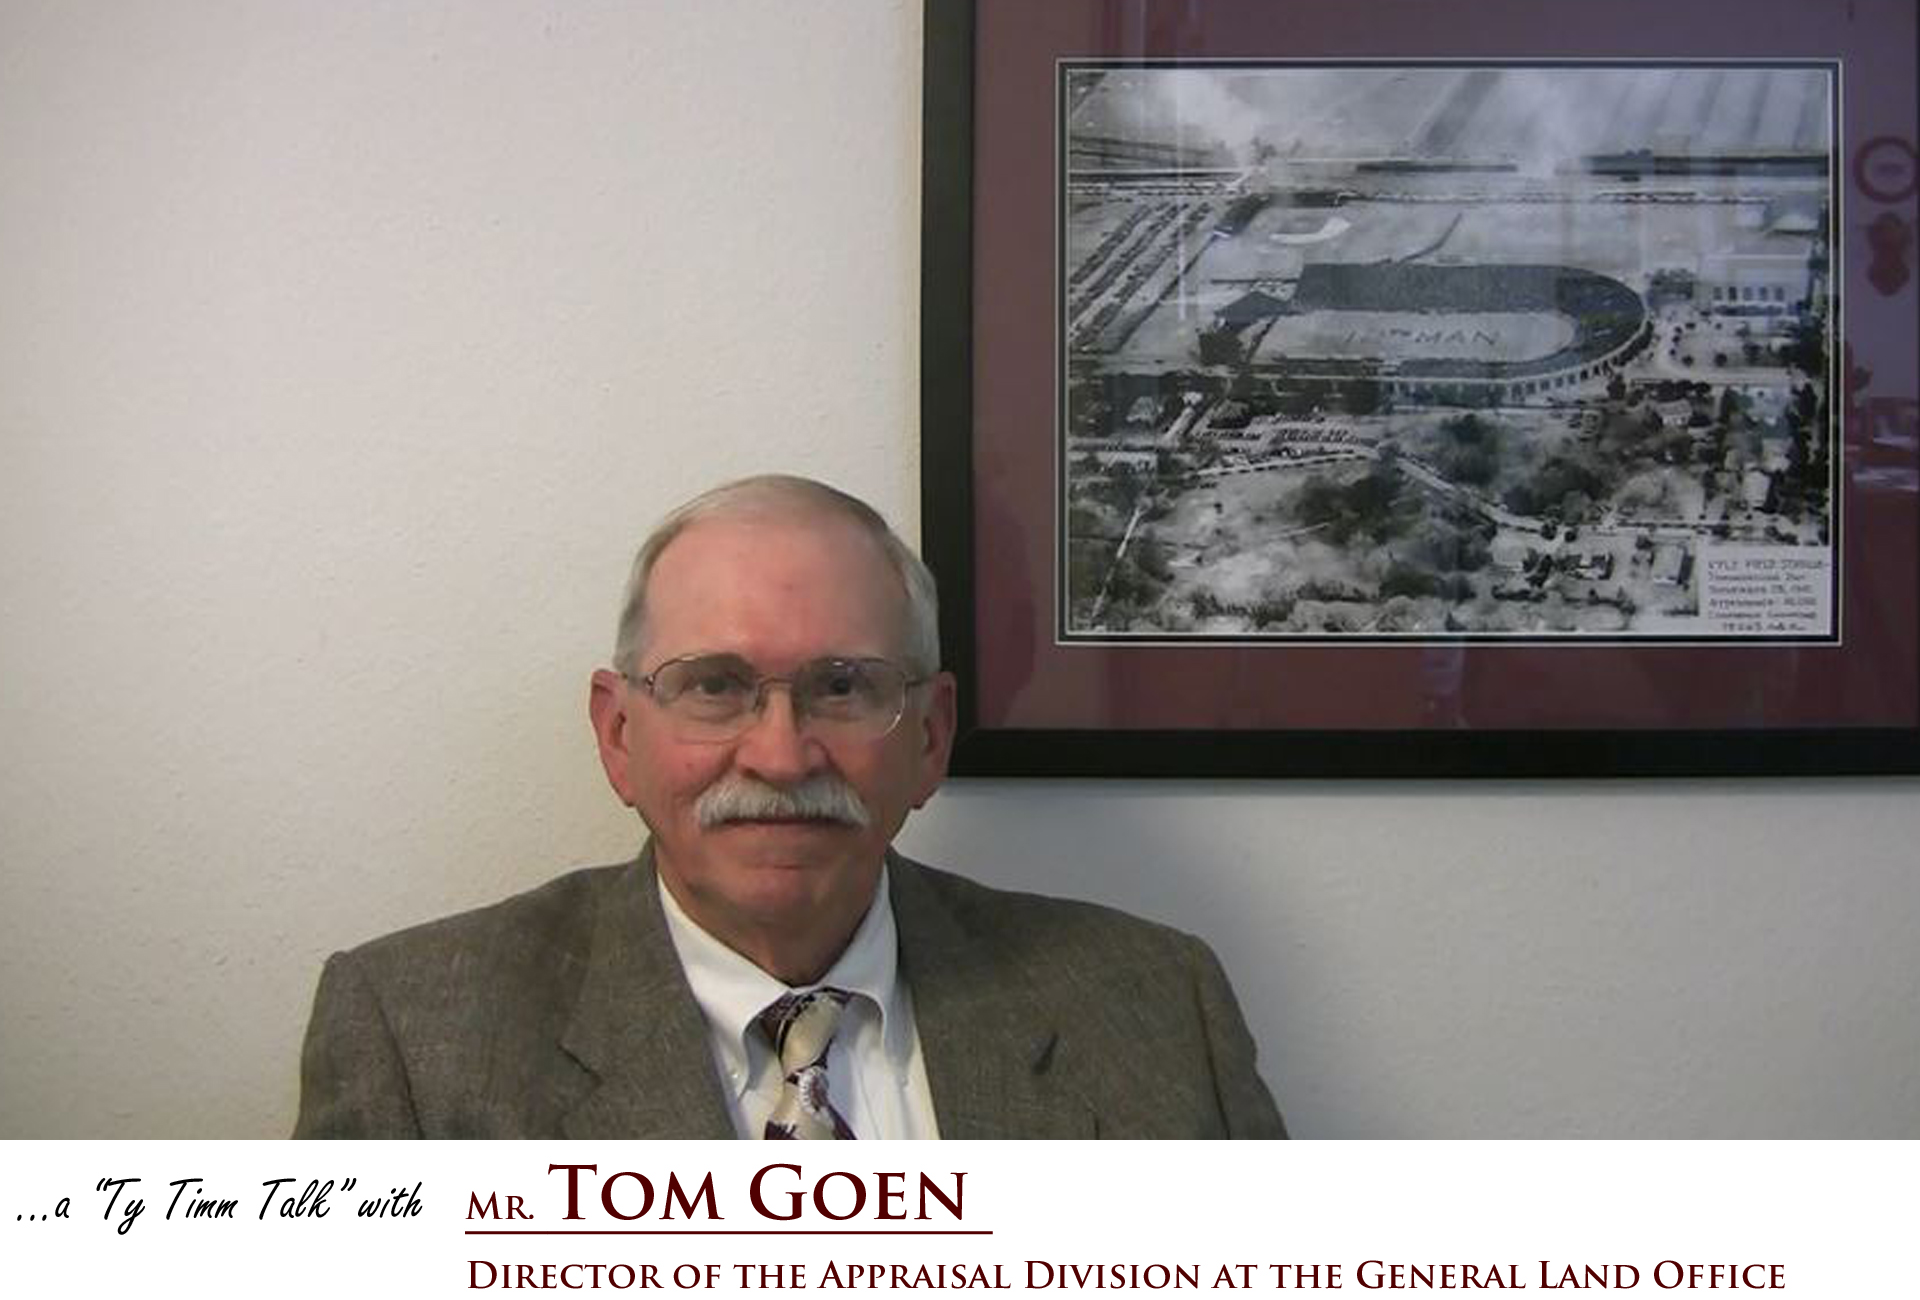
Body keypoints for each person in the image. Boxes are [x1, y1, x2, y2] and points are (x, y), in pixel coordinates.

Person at [295, 475, 1284, 1138]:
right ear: (618, 735)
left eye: (844, 686)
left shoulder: (1156, 1006)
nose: (779, 754)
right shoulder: (415, 1035)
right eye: (714, 685)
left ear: (931, 736)